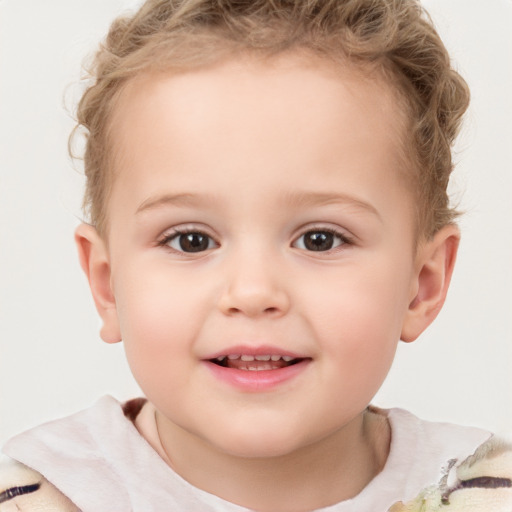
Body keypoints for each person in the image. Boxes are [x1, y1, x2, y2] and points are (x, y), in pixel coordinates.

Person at [1, 0, 509, 510]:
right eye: (191, 240)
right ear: (107, 284)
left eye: (320, 239)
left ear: (422, 284)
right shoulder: (36, 496)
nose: (253, 292)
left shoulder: (483, 491)